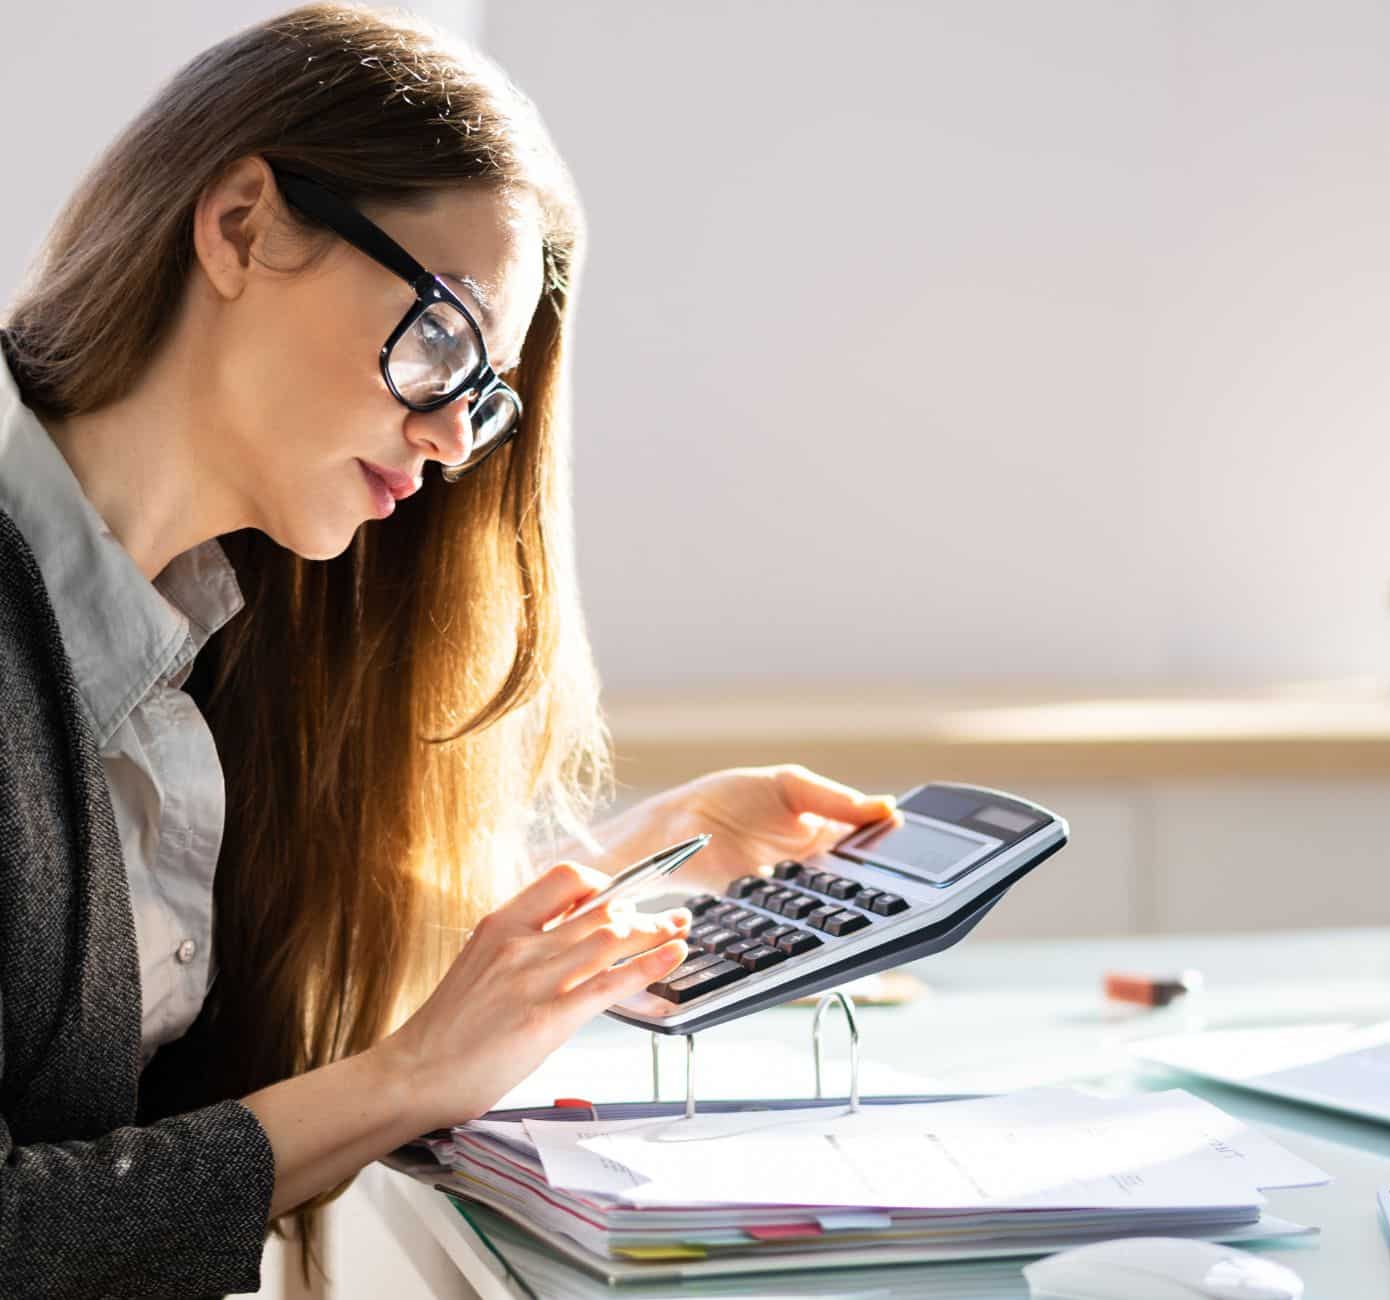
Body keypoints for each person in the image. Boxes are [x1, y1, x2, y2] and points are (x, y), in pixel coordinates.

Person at [0, 5, 896, 1296]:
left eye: (482, 395)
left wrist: (625, 867)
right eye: (441, 340)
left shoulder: (184, 648)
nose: (446, 441)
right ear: (241, 225)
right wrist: (409, 1080)